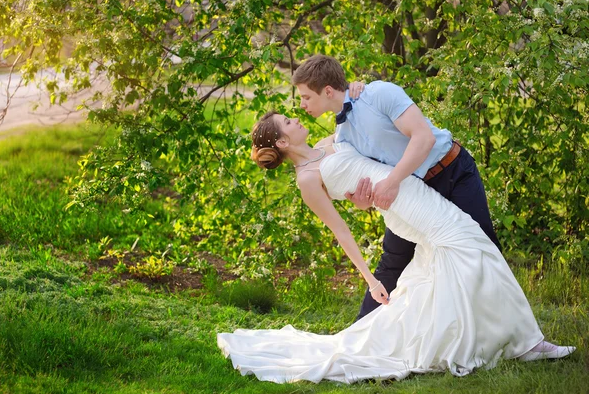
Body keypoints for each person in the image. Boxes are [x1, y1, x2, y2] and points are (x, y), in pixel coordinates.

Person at [216, 112, 575, 384]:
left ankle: (489, 337)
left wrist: (356, 90)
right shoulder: (307, 180)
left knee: (462, 255)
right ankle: (527, 343)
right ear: (281, 143)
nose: (296, 118)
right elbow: (340, 230)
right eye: (288, 122)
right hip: (404, 207)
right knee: (472, 246)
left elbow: (364, 138)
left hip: (408, 192)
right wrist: (369, 278)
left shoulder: (328, 143)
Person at [292, 55, 501, 321]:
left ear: (328, 91)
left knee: (484, 247)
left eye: (306, 97)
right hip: (413, 193)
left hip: (452, 171)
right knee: (392, 261)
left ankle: (511, 333)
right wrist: (362, 200)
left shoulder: (379, 93)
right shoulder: (343, 136)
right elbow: (367, 176)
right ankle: (356, 338)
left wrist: (391, 183)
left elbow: (423, 138)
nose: (302, 105)